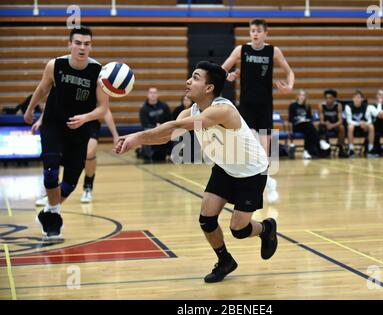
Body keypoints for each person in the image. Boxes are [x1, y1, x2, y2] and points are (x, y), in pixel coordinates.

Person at [114, 61, 277, 283]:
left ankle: (266, 228)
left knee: (239, 230)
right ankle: (225, 261)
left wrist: (137, 137)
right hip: (224, 168)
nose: (188, 81)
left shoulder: (222, 110)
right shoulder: (189, 111)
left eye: (196, 77)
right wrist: (138, 141)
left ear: (209, 88)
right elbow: (168, 134)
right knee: (206, 220)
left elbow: (171, 127)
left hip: (251, 172)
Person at [23, 26, 109, 239]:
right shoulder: (55, 65)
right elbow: (43, 89)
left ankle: (50, 213)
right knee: (51, 174)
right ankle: (54, 214)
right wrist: (30, 109)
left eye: (86, 44)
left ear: (91, 46)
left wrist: (85, 118)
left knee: (69, 185)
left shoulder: (99, 72)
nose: (82, 47)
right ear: (69, 44)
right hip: (53, 126)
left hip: (80, 131)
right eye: (78, 43)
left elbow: (103, 108)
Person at [221, 18, 295, 203]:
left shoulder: (273, 51)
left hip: (264, 106)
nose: (255, 33)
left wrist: (290, 86)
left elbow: (290, 72)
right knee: (249, 150)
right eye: (252, 30)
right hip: (246, 106)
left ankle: (268, 184)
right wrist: (227, 76)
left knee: (264, 153)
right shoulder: (241, 50)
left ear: (265, 33)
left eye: (258, 31)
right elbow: (222, 69)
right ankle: (266, 185)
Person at [34, 109, 119, 205]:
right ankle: (51, 194)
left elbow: (105, 110)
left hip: (90, 123)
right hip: (67, 119)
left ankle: (88, 187)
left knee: (89, 153)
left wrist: (115, 135)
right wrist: (41, 119)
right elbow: (51, 101)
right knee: (56, 155)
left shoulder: (98, 94)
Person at [288, 90, 329, 159]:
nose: (302, 97)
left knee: (308, 130)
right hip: (296, 126)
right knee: (309, 127)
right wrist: (299, 119)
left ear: (305, 97)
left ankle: (306, 152)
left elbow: (310, 117)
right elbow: (290, 118)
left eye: (303, 95)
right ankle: (320, 141)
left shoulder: (307, 106)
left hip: (306, 125)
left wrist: (306, 119)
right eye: (300, 95)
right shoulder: (292, 105)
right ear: (297, 96)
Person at [139, 87, 172, 163]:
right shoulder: (143, 109)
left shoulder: (164, 106)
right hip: (151, 133)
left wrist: (162, 127)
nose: (153, 95)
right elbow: (145, 124)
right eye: (151, 93)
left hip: (164, 131)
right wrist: (155, 128)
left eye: (154, 93)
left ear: (157, 95)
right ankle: (147, 155)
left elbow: (170, 119)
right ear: (148, 95)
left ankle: (170, 153)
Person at [344, 90, 377, 158]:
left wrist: (365, 124)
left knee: (371, 126)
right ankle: (351, 149)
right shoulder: (348, 106)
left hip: (363, 127)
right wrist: (359, 123)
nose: (356, 99)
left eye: (358, 97)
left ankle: (370, 149)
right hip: (354, 126)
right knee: (350, 127)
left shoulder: (366, 106)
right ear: (353, 99)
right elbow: (349, 120)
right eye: (355, 97)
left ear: (362, 99)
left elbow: (369, 120)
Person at [318, 89, 347, 158]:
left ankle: (340, 148)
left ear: (334, 98)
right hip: (325, 125)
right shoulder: (321, 105)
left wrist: (333, 125)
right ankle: (325, 148)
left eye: (330, 98)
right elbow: (321, 120)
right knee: (319, 127)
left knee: (342, 128)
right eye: (326, 98)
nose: (328, 100)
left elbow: (340, 120)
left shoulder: (338, 105)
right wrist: (326, 123)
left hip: (335, 125)